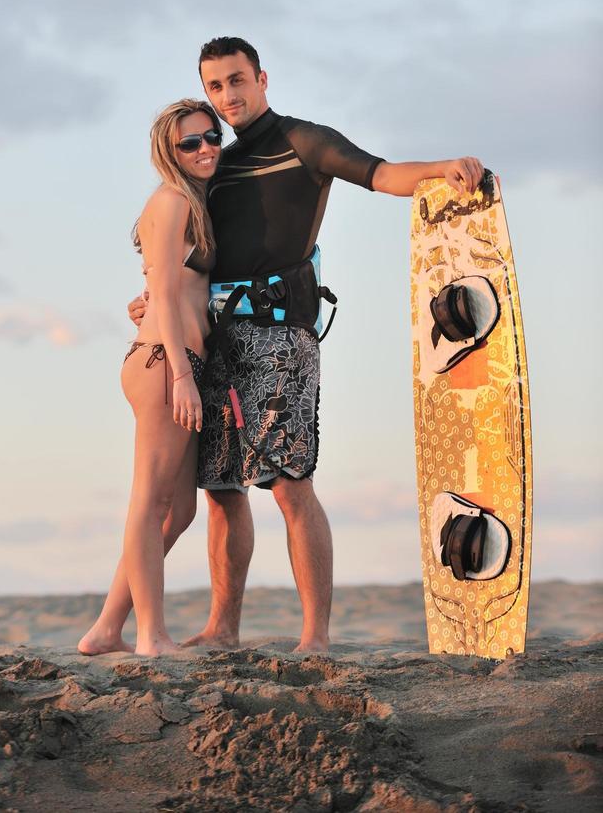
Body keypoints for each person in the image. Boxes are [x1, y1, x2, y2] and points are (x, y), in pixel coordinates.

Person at [128, 37, 484, 654]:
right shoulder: (216, 164)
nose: (227, 97)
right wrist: (157, 300)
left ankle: (315, 635)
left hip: (281, 336)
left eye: (236, 81)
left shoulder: (304, 141)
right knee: (222, 490)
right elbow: (190, 258)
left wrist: (439, 168)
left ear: (262, 79)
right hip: (217, 340)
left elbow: (379, 173)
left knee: (291, 482)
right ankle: (222, 628)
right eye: (215, 87)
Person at [78, 98, 221, 657]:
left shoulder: (193, 203)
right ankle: (150, 636)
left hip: (176, 363)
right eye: (192, 142)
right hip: (166, 365)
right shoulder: (171, 199)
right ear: (170, 150)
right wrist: (183, 375)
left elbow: (166, 288)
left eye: (212, 138)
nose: (206, 148)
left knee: (179, 510)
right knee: (149, 503)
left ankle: (107, 627)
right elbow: (163, 290)